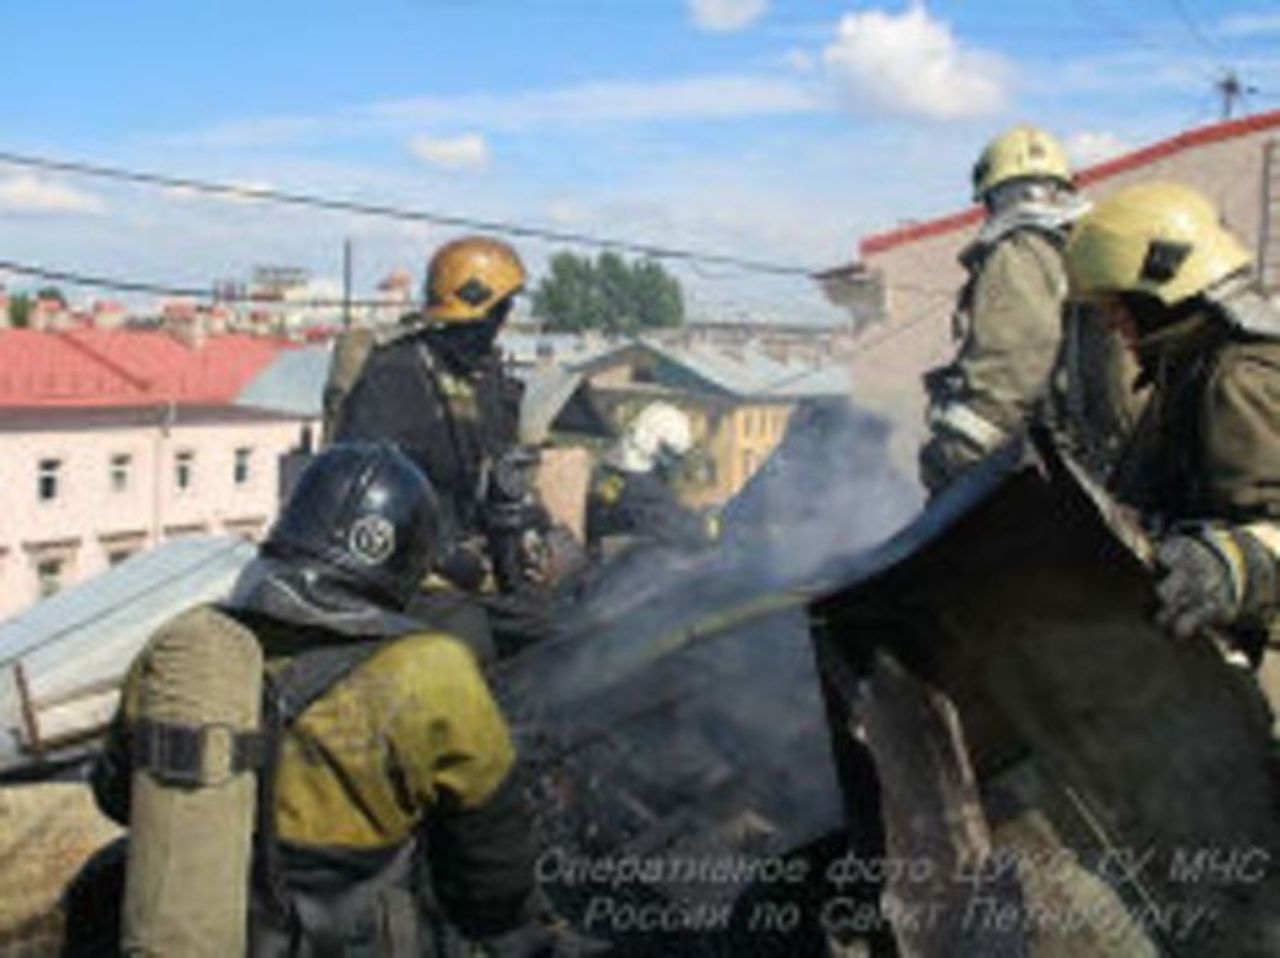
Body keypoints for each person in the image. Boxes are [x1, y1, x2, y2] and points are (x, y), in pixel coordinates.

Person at [74, 443, 568, 956]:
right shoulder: (433, 672)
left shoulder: (189, 645)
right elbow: (494, 883)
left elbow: (115, 795)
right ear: (410, 563)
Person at [1064, 181, 1280, 687]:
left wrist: (1229, 566)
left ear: (1162, 285)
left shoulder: (1240, 379)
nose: (1115, 325)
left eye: (1119, 307)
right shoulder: (1185, 372)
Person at [919, 124, 1140, 492]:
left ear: (990, 196)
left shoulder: (1023, 251)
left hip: (1090, 472)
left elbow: (1010, 369)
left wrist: (952, 456)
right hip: (1130, 462)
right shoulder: (1090, 242)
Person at [334, 236, 546, 596]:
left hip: (475, 562)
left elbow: (501, 471)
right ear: (481, 309)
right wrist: (440, 555)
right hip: (403, 575)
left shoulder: (487, 379)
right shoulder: (397, 374)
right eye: (502, 309)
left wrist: (535, 529)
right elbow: (362, 494)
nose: (505, 320)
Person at [585, 401, 717, 558]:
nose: (671, 463)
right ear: (652, 440)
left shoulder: (610, 470)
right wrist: (706, 526)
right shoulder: (641, 488)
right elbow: (673, 524)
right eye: (669, 452)